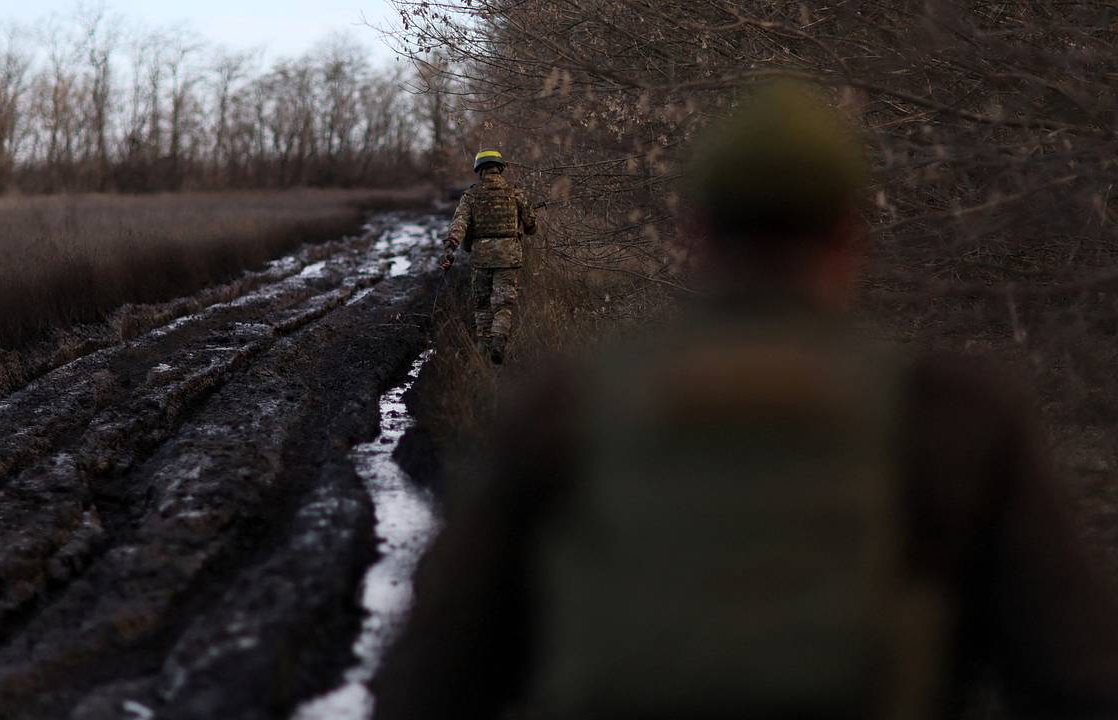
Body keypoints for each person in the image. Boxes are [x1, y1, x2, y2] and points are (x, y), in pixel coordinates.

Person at [373, 84, 1118, 718]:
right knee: (502, 299)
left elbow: (431, 678)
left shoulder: (567, 405)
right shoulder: (955, 414)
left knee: (487, 307)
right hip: (512, 259)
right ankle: (497, 327)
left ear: (694, 230)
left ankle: (491, 333)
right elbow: (1079, 678)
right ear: (850, 230)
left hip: (490, 270)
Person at [442, 149, 538, 364]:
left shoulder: (471, 195)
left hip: (481, 258)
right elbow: (531, 227)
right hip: (509, 257)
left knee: (482, 304)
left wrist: (451, 247)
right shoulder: (515, 192)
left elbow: (459, 223)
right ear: (500, 167)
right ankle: (498, 340)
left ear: (479, 170)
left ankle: (483, 351)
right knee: (503, 304)